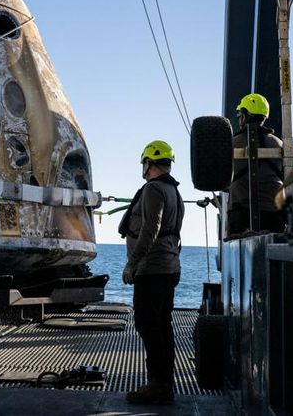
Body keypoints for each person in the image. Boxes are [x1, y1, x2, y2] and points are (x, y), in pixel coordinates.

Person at [119, 140, 184, 405]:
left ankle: (157, 386)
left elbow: (150, 230)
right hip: (168, 267)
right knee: (162, 326)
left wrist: (132, 264)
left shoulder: (154, 189)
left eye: (145, 164)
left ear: (150, 163)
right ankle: (165, 384)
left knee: (148, 325)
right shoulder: (174, 192)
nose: (144, 169)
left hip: (152, 270)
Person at [228, 93, 286, 235]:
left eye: (239, 115)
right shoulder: (279, 143)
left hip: (242, 215)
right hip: (276, 214)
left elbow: (221, 177)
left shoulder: (232, 143)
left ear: (244, 116)